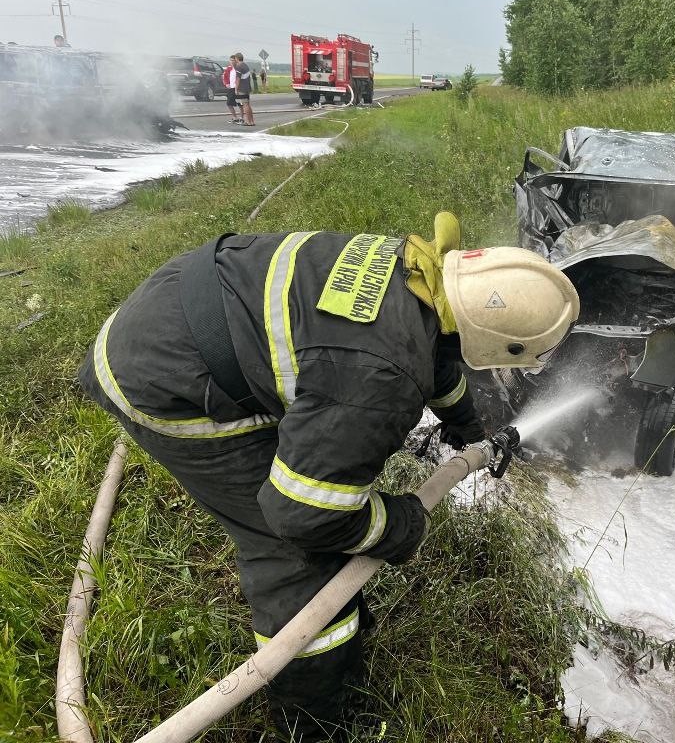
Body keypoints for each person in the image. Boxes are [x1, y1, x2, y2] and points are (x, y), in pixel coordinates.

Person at [77, 212, 579, 741]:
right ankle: (310, 717)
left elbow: (435, 350)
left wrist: (465, 424)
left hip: (178, 306)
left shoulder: (413, 270)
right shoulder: (380, 378)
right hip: (161, 379)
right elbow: (305, 514)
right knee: (297, 551)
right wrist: (400, 524)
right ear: (503, 344)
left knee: (314, 484)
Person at [232, 52, 254, 126]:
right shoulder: (245, 65)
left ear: (237, 58)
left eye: (235, 59)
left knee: (245, 105)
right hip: (247, 87)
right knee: (248, 104)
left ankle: (248, 122)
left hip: (242, 88)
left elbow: (238, 79)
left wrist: (236, 89)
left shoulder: (239, 66)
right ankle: (252, 121)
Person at [223, 55, 241, 124]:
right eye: (230, 60)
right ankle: (235, 117)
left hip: (238, 88)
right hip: (231, 88)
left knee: (240, 104)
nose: (231, 62)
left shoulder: (238, 68)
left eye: (233, 60)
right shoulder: (228, 68)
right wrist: (226, 83)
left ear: (236, 61)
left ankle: (241, 118)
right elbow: (225, 77)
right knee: (229, 103)